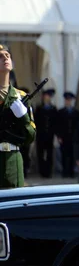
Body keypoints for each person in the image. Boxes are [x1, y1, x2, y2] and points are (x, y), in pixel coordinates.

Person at [0, 44, 36, 188]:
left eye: (7, 55)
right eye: (0, 56)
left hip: (13, 161)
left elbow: (30, 136)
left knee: (15, 205)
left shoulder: (20, 96)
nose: (5, 58)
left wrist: (24, 118)